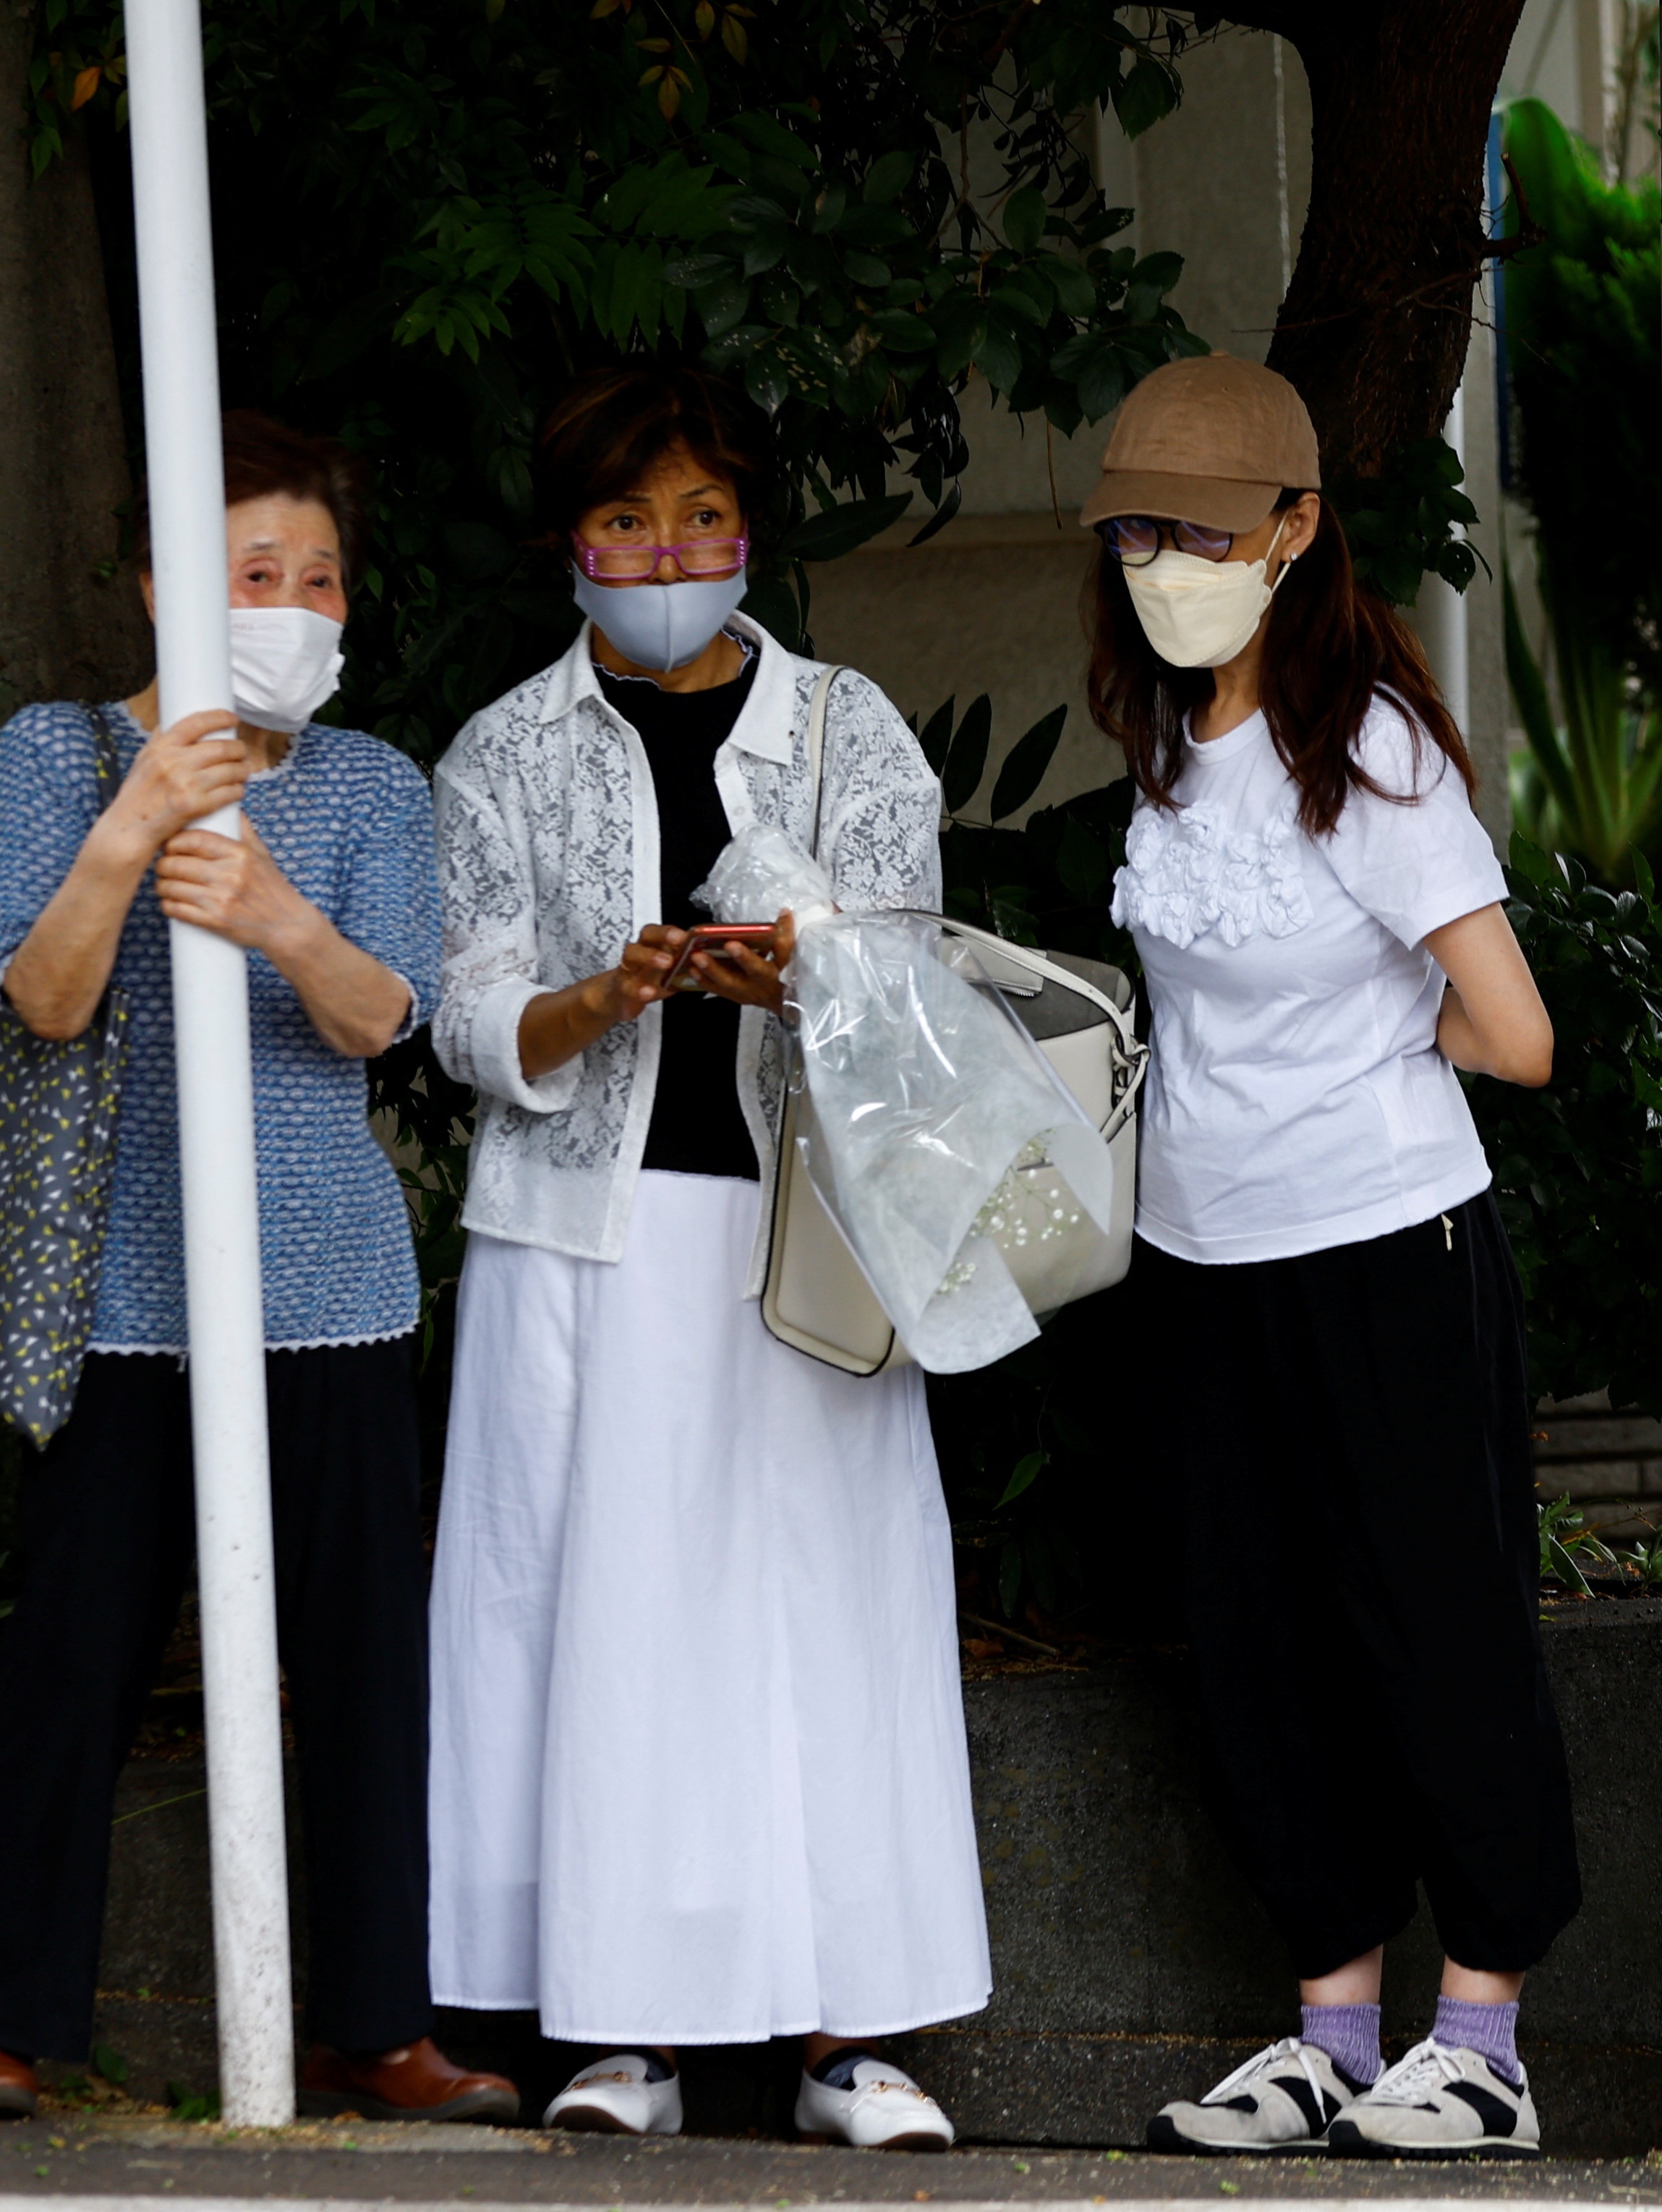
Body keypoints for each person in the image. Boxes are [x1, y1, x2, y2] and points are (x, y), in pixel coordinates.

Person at [425, 362, 978, 2151]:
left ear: (751, 528)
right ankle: (623, 2031)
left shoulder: (848, 727)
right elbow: (465, 1015)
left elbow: (920, 973)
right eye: (623, 519)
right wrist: (616, 990)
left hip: (802, 1237)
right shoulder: (501, 750)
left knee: (827, 1616)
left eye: (697, 516)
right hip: (582, 1246)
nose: (663, 551)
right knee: (607, 1629)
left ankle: (848, 2039)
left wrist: (800, 970)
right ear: (567, 543)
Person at [0, 415, 512, 2126]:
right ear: (163, 588)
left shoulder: (370, 786)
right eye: (253, 575)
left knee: (358, 1664)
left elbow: (380, 1019)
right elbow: (39, 1000)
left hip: (328, 1283)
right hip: (117, 1296)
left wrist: (272, 908)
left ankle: (376, 2023)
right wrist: (137, 821)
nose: (292, 604)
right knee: (73, 1654)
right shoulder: (52, 753)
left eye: (316, 576)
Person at [1085, 358, 1575, 2162]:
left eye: (1205, 530)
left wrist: (1376, 1066)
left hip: (1384, 1251)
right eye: (1139, 527)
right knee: (1258, 1644)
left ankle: (1487, 2041)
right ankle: (1332, 2034)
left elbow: (1515, 1032)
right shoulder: (1160, 746)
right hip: (1203, 1261)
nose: (1165, 559)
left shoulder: (1365, 751)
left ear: (1294, 532)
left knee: (1433, 1633)